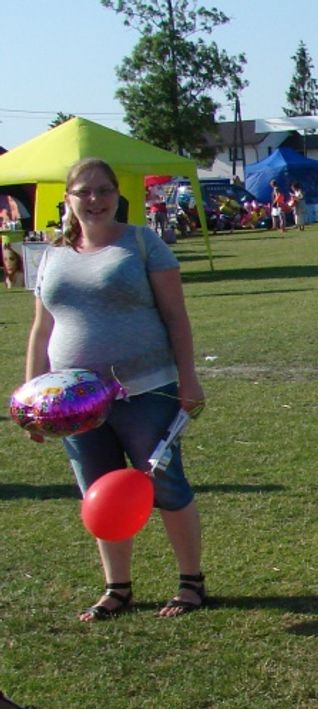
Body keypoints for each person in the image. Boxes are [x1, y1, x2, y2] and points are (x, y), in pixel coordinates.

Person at [24, 158, 207, 620]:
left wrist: (188, 378)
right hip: (73, 403)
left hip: (146, 390)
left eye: (104, 190)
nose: (95, 199)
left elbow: (175, 317)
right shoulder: (52, 255)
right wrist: (32, 396)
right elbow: (41, 329)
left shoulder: (142, 244)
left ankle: (190, 582)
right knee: (98, 492)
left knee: (165, 483)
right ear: (67, 198)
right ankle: (117, 588)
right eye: (84, 191)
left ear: (116, 195)